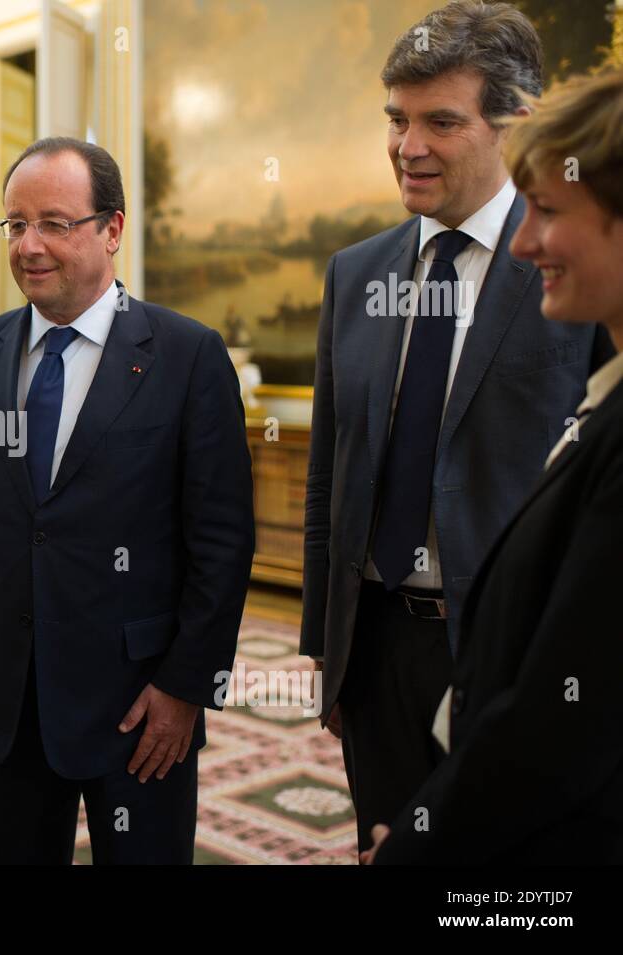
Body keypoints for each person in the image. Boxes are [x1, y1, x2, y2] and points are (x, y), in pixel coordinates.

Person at [300, 0, 614, 853]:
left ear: (513, 125)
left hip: (509, 654)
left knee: (497, 877)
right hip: (372, 647)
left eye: (441, 121)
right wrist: (327, 650)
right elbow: (332, 465)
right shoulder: (354, 272)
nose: (407, 147)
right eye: (397, 121)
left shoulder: (567, 266)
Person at [0, 137, 255, 864]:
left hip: (139, 705)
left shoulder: (187, 357)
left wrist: (186, 684)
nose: (29, 245)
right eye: (16, 224)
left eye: (55, 223)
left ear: (112, 229)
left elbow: (222, 540)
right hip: (5, 692)